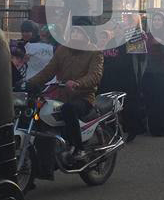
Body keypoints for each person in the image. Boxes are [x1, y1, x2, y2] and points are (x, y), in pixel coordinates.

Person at [27, 26, 103, 161]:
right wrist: (29, 83)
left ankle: (79, 149)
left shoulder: (94, 52)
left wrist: (78, 83)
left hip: (84, 97)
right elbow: (48, 71)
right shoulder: (62, 50)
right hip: (62, 96)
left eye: (79, 32)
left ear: (86, 34)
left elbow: (95, 75)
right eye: (73, 31)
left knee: (69, 109)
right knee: (42, 110)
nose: (75, 34)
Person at [99, 29, 144, 141]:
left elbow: (140, 58)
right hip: (110, 79)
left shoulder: (131, 41)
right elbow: (105, 59)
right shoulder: (111, 42)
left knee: (129, 106)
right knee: (111, 107)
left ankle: (131, 130)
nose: (119, 30)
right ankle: (113, 132)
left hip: (127, 79)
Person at [141, 12, 164, 137]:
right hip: (149, 73)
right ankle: (153, 128)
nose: (157, 22)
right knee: (151, 101)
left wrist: (161, 44)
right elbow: (141, 53)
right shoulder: (148, 36)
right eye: (155, 20)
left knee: (162, 101)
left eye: (159, 20)